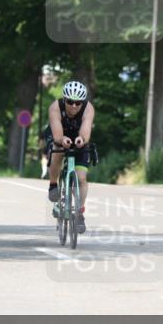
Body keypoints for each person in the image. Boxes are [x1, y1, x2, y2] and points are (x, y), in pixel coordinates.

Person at [46, 80, 95, 234]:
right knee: (58, 149)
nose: (74, 106)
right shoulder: (55, 107)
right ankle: (53, 184)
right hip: (60, 133)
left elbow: (86, 130)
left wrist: (82, 139)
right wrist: (62, 140)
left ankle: (79, 213)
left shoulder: (88, 108)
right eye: (70, 102)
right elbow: (58, 134)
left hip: (79, 136)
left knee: (81, 179)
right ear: (64, 99)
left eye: (78, 103)